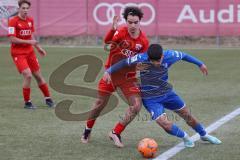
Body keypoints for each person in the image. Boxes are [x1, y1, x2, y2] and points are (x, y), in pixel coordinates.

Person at [104, 44, 222, 147]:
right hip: (151, 99)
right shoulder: (142, 58)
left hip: (168, 94)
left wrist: (200, 64)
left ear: (162, 56)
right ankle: (185, 137)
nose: (155, 64)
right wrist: (108, 71)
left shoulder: (170, 55)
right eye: (152, 61)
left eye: (158, 61)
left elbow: (184, 55)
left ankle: (204, 134)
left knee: (187, 115)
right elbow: (124, 62)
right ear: (148, 58)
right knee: (164, 123)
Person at [81, 6, 149, 147]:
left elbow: (141, 62)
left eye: (135, 22)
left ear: (140, 21)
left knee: (136, 106)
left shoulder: (143, 41)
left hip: (128, 78)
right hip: (110, 75)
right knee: (99, 105)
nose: (132, 25)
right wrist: (112, 29)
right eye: (129, 22)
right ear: (126, 21)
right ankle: (87, 130)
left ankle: (115, 132)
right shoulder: (121, 32)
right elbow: (107, 42)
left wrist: (140, 67)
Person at [8, 0, 54, 109]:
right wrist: (29, 42)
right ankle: (27, 102)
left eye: (27, 8)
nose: (25, 10)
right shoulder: (13, 21)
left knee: (38, 76)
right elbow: (12, 39)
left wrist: (38, 48)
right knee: (28, 75)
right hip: (18, 53)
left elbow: (31, 36)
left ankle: (48, 99)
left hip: (30, 52)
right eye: (23, 8)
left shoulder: (30, 20)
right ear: (18, 8)